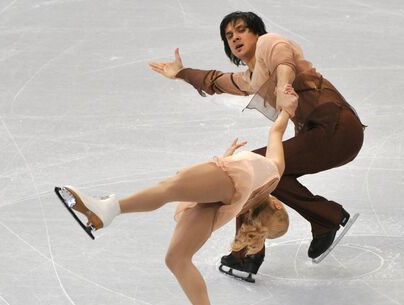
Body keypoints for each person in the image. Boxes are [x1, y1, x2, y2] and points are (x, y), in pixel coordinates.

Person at [54, 86, 297, 305]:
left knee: (170, 187)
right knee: (178, 258)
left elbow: (275, 132)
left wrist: (288, 107)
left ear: (277, 205)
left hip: (233, 178)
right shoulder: (246, 203)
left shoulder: (274, 173)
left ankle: (107, 210)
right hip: (225, 200)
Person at [149, 11, 365, 281]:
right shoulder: (253, 77)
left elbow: (283, 59)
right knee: (272, 174)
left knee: (251, 167)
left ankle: (248, 252)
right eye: (229, 35)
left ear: (256, 33)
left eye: (241, 30)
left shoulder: (269, 43)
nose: (235, 37)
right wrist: (181, 72)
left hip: (335, 127)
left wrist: (284, 87)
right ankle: (324, 219)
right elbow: (217, 81)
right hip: (329, 134)